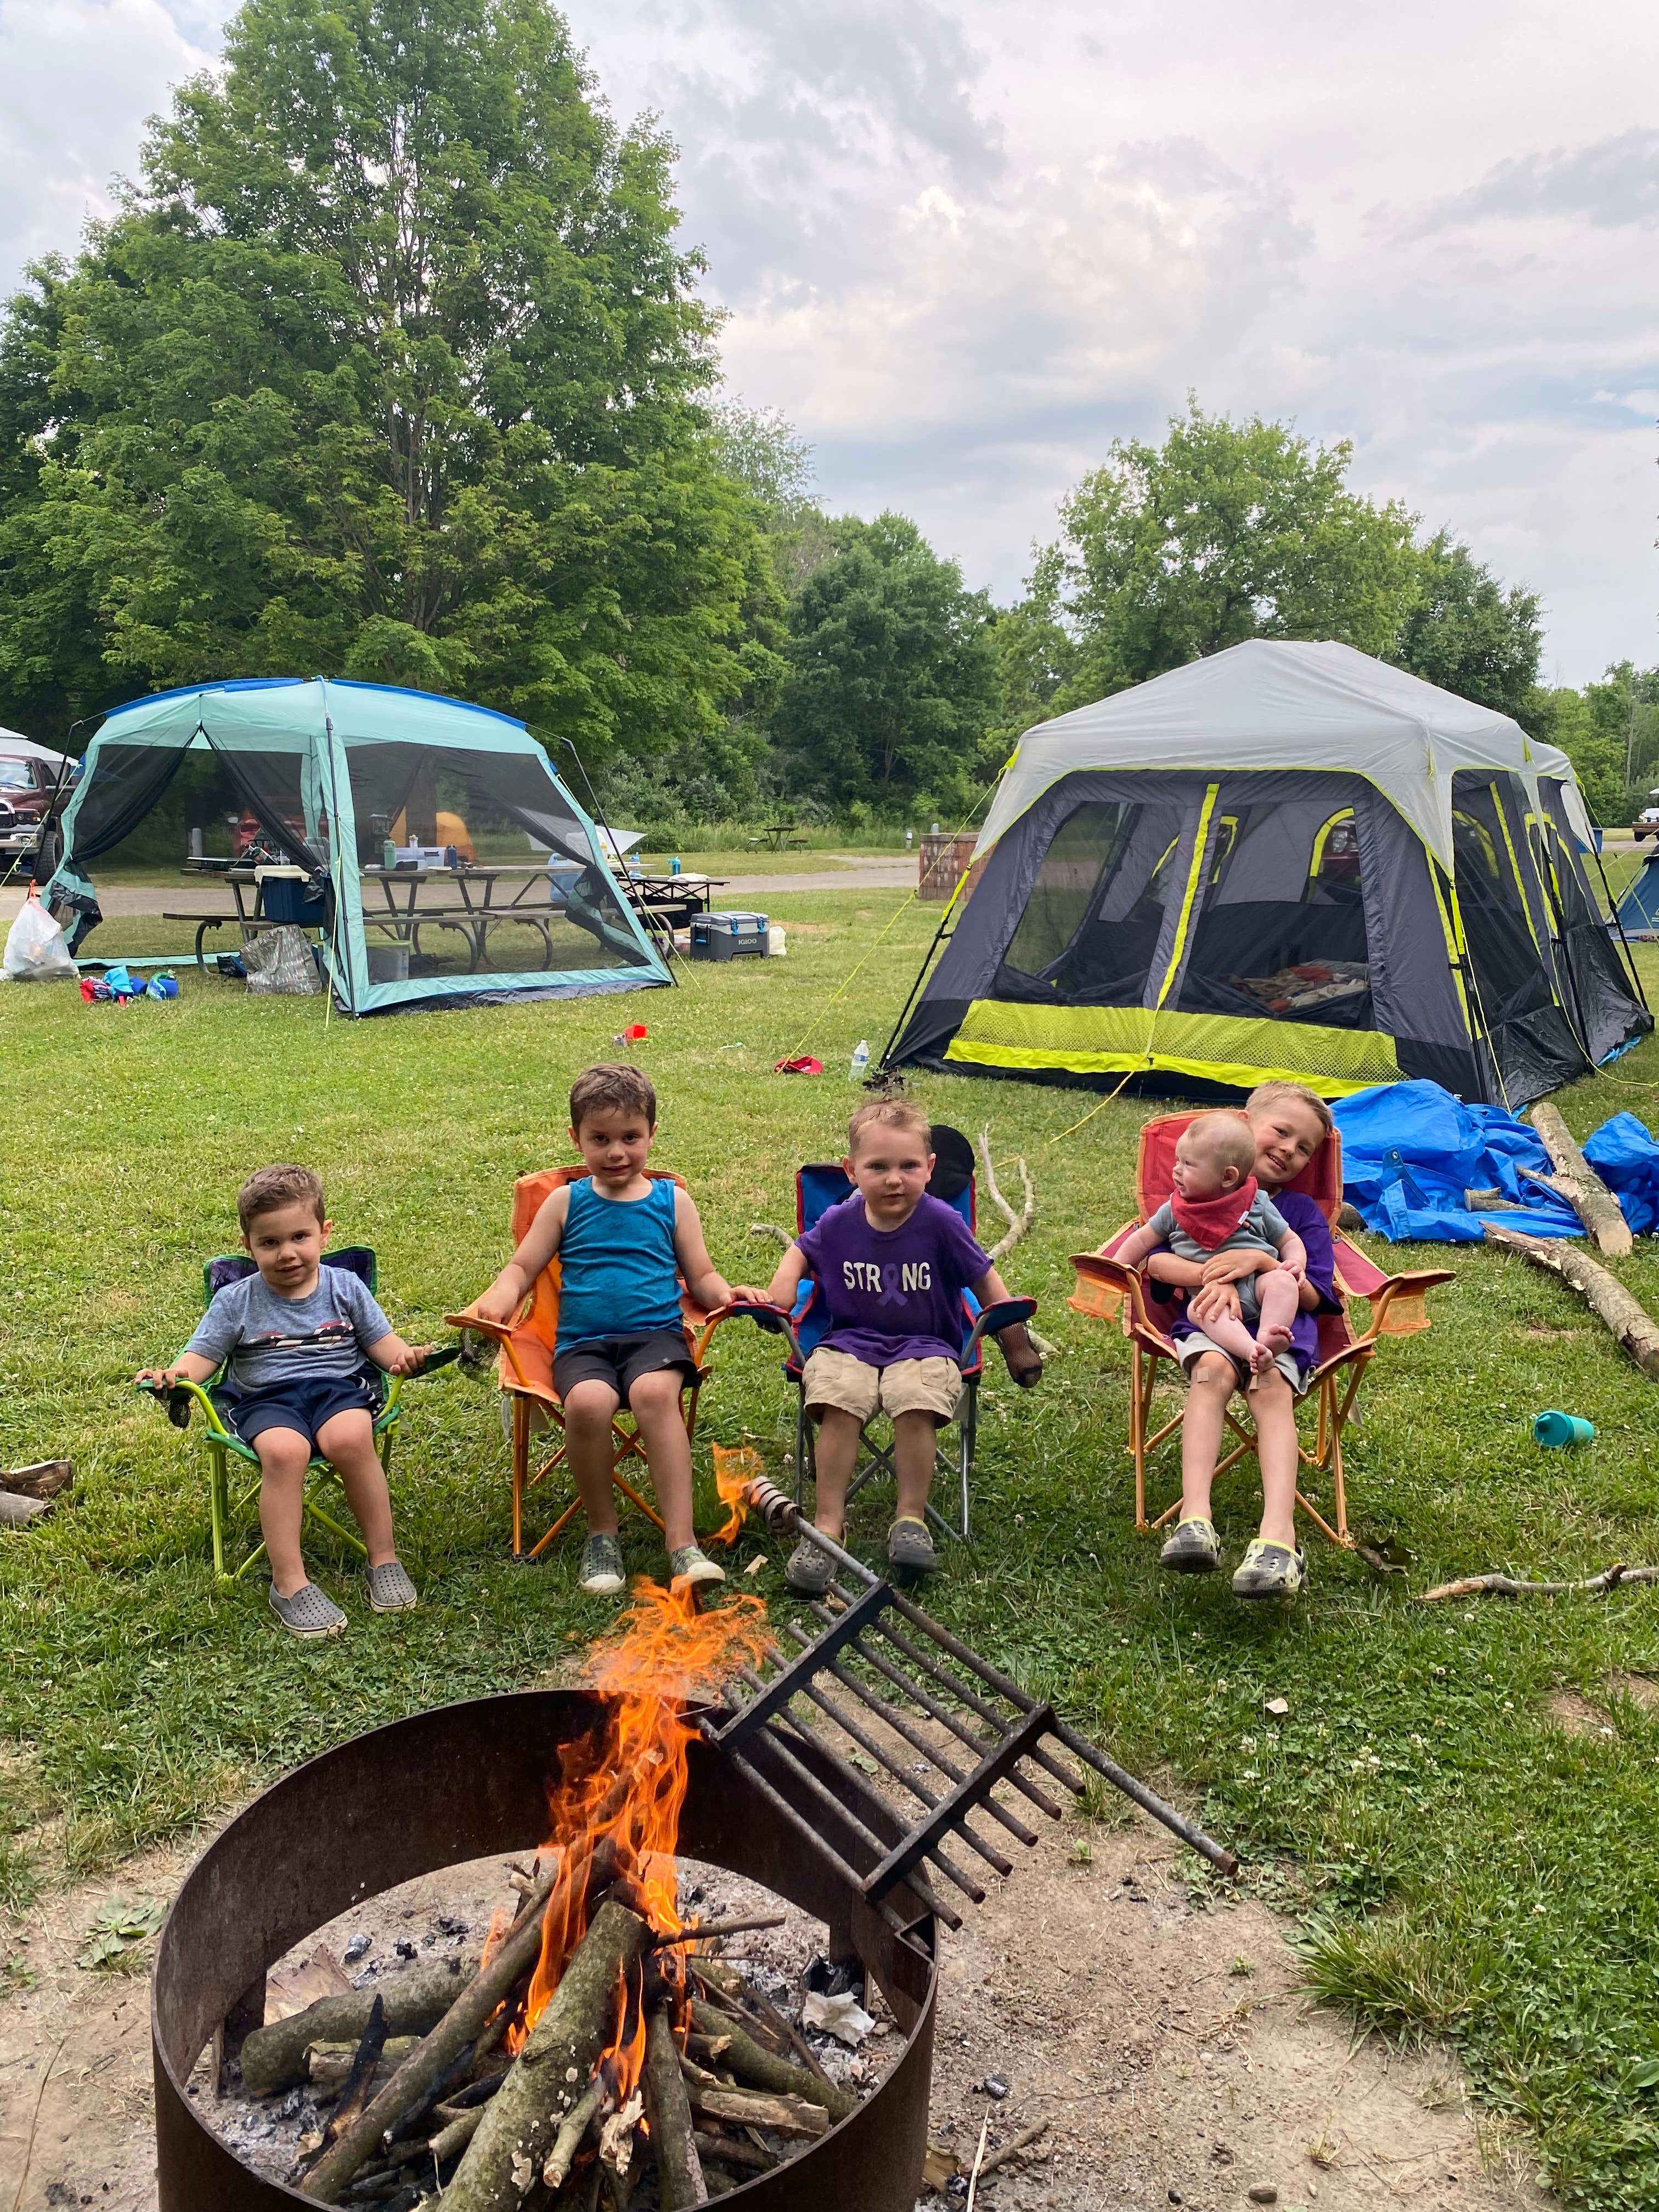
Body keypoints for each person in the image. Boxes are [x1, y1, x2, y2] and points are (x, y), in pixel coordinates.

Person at [737, 1098, 1041, 1594]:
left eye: (908, 1166)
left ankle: (910, 1520)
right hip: (849, 1341)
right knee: (837, 1398)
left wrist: (1014, 1340)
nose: (894, 1179)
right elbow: (800, 1250)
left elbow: (985, 1280)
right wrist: (781, 1292)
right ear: (851, 1171)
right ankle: (827, 1526)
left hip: (927, 1345)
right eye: (878, 1167)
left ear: (930, 1168)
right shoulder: (840, 1220)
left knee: (916, 1402)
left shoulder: (942, 1221)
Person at [471, 1063, 735, 1596]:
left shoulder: (671, 1202)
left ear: (652, 1134)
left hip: (656, 1337)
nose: (617, 1152)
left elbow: (701, 1275)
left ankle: (682, 1545)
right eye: (601, 1139)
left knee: (655, 1393)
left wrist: (730, 1297)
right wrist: (497, 1300)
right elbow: (523, 1269)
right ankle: (601, 1533)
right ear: (577, 1139)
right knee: (589, 1404)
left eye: (631, 1138)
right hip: (582, 1344)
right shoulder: (567, 1202)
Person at [136, 1165, 431, 1639]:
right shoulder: (236, 1300)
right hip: (266, 1401)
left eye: (299, 1237)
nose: (287, 1253)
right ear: (249, 1246)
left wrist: (406, 1358)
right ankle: (289, 1582)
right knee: (285, 1452)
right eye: (270, 1243)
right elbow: (202, 1357)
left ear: (324, 1233)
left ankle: (384, 1557)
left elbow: (383, 1345)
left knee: (353, 1437)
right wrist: (175, 1375)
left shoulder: (345, 1287)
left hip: (339, 1390)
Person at [1146, 1082, 1336, 1599]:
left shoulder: (1300, 1214)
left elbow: (1317, 1292)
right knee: (1210, 1373)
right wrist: (1214, 1272)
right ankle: (1195, 1521)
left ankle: (1280, 1537)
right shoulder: (1192, 1195)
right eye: (1281, 1132)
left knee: (1269, 1387)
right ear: (1245, 1127)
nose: (1290, 1151)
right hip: (1208, 1318)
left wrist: (1259, 1261)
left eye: (1305, 1149)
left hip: (1279, 1329)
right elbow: (1153, 1261)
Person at [1113, 1113, 1307, 1381]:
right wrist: (1116, 1268)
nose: (1176, 1170)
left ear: (1228, 1177)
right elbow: (1142, 1239)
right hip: (1209, 1295)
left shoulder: (1257, 1204)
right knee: (1201, 1312)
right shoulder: (1176, 1208)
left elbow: (1289, 1240)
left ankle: (1269, 1333)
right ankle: (1253, 1349)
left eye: (1189, 1164)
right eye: (1177, 1160)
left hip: (1258, 1284)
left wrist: (1296, 1264)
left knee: (1283, 1282)